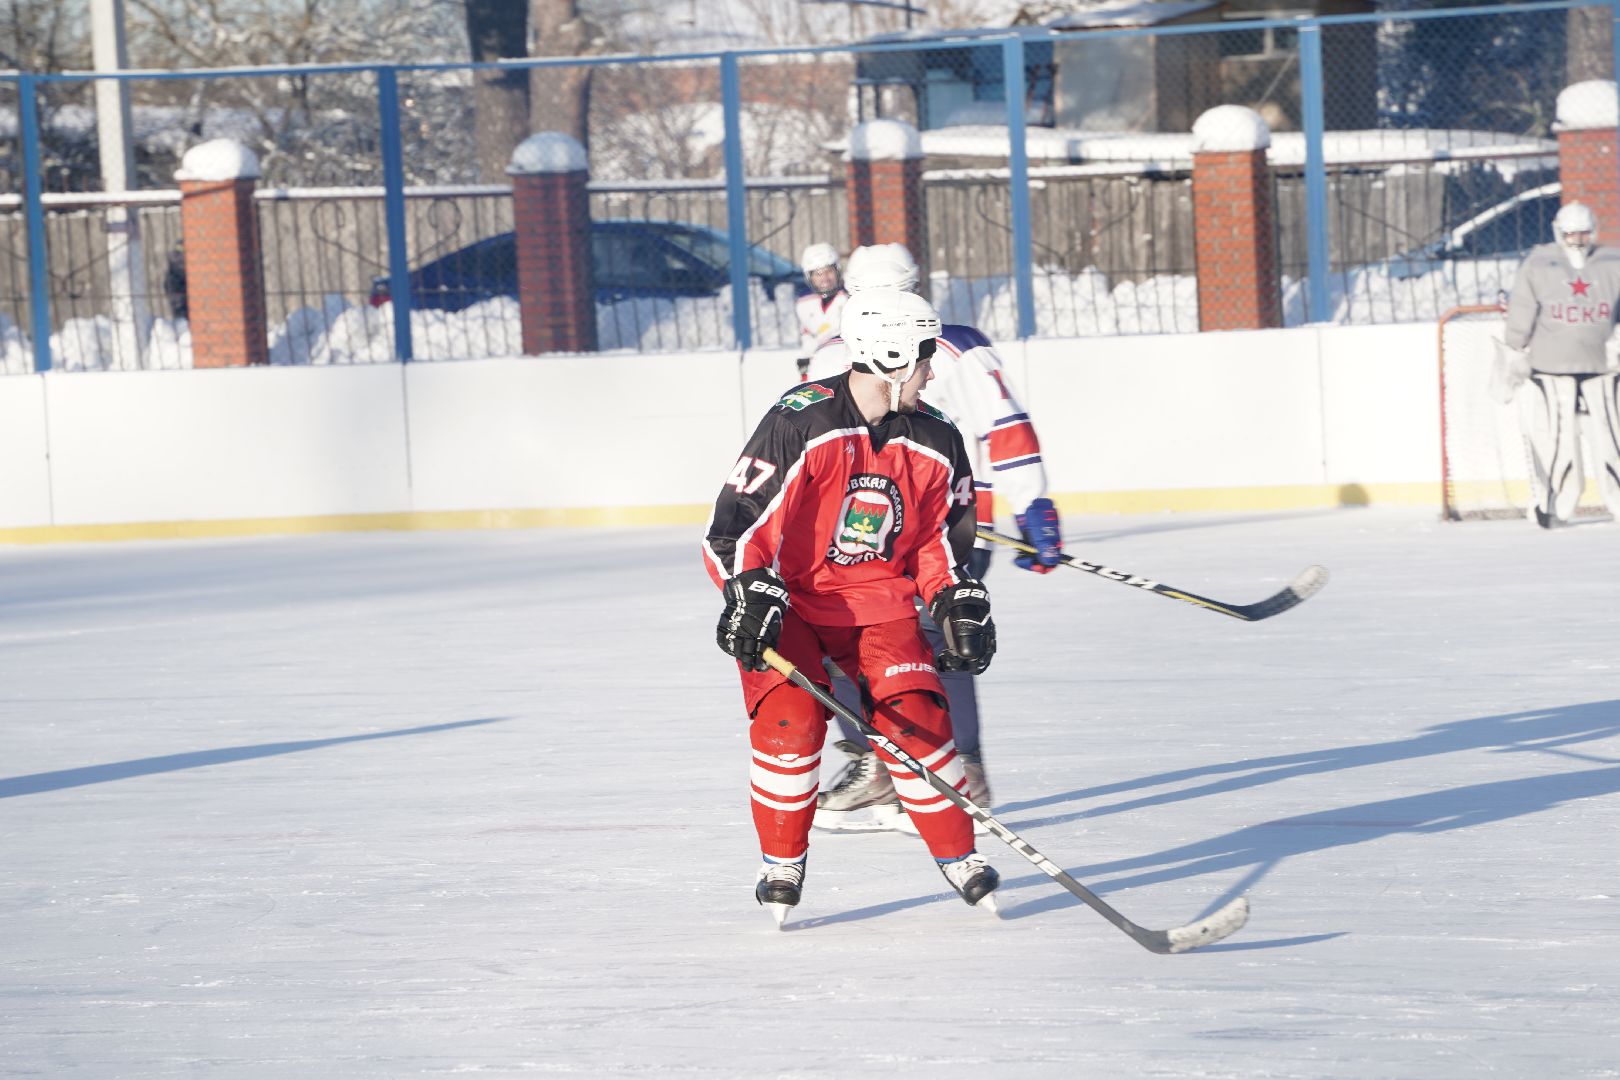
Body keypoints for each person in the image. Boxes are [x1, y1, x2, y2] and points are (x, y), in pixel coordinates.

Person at [704, 287, 1001, 925]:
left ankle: (958, 856)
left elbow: (936, 544)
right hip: (792, 610)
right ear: (894, 357)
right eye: (923, 358)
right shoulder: (799, 420)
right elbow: (732, 532)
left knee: (915, 720)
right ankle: (782, 862)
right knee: (792, 722)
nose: (930, 371)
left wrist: (955, 596)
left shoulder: (938, 437)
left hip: (877, 610)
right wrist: (749, 591)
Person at [803, 242, 1063, 831]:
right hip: (865, 535)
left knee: (933, 638)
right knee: (850, 638)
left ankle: (955, 767)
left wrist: (1033, 504)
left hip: (945, 529)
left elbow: (1005, 428)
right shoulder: (832, 357)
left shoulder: (954, 348)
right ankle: (882, 764)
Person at [1499, 201, 1620, 527]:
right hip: (1552, 369)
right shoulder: (1539, 263)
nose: (1577, 239)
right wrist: (1514, 351)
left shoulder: (1613, 261)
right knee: (1556, 441)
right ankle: (1554, 507)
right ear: (1559, 232)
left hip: (1603, 369)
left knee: (1612, 439)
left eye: (1582, 232)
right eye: (1571, 233)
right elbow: (1522, 309)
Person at [794, 243, 847, 380]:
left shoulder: (850, 297)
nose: (824, 278)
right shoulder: (804, 303)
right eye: (818, 274)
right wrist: (806, 360)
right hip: (823, 363)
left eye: (828, 271)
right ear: (809, 277)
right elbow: (809, 338)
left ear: (837, 270)